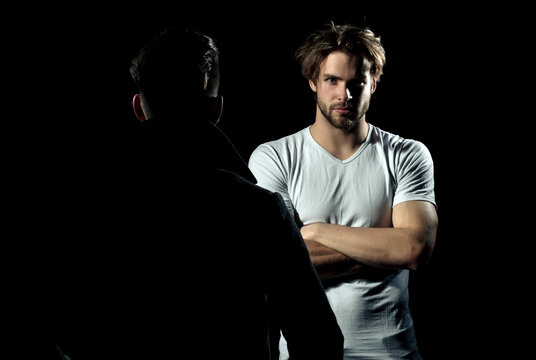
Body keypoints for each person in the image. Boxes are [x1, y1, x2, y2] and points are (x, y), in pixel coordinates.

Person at [57, 26, 343, 360]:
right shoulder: (258, 209)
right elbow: (319, 340)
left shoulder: (88, 206)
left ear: (139, 108)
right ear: (216, 110)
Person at [248, 22, 438, 359]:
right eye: (332, 81)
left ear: (373, 84)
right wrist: (384, 247)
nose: (344, 95)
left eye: (357, 83)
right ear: (312, 82)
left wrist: (314, 232)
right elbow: (270, 264)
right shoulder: (274, 157)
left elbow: (414, 248)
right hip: (307, 354)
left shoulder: (406, 154)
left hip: (393, 353)